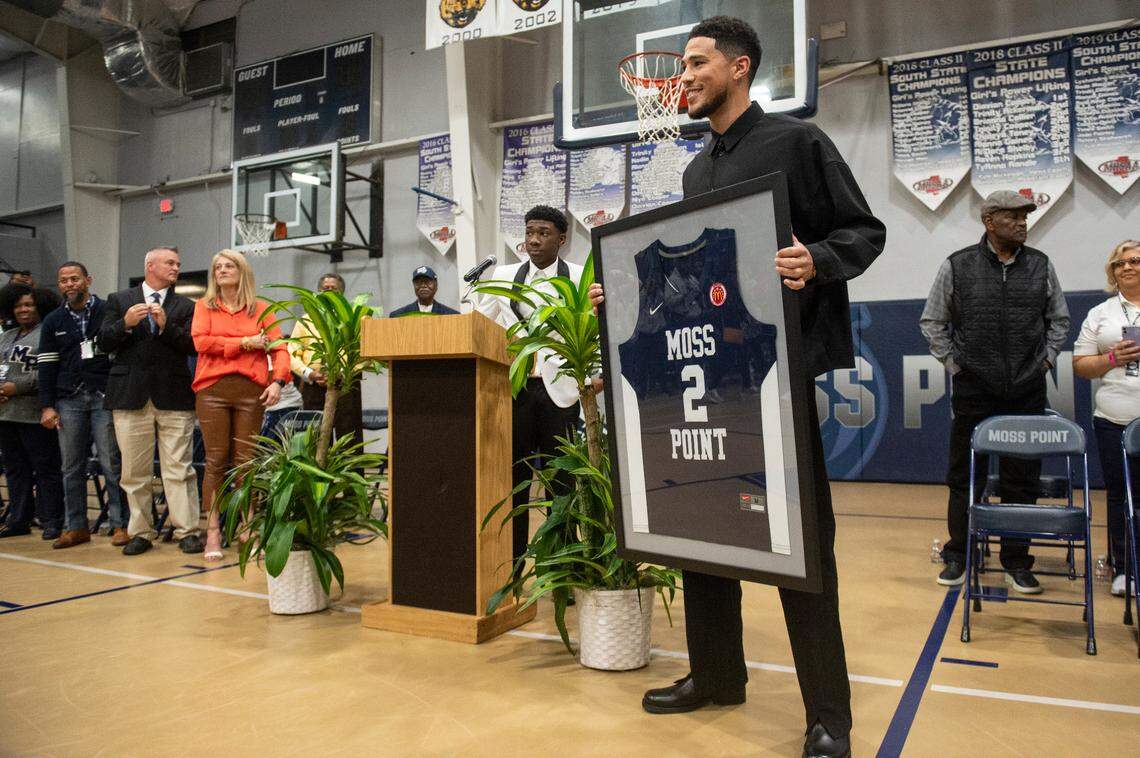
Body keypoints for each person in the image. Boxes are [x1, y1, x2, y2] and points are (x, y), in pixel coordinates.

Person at [589, 18, 884, 757]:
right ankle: (718, 675)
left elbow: (863, 232)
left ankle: (827, 715)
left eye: (696, 63)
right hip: (703, 387)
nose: (681, 76)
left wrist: (814, 259)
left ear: (739, 67)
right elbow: (689, 282)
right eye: (682, 66)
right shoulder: (695, 172)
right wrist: (624, 296)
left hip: (773, 385)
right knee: (703, 530)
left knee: (799, 547)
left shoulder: (797, 142)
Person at [921, 190, 1070, 595]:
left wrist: (1045, 361)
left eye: (1025, 217)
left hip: (1026, 389)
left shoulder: (1041, 265)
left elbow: (1059, 319)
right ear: (989, 221)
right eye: (1014, 216)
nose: (1023, 223)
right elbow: (932, 321)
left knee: (1021, 479)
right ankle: (960, 555)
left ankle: (1016, 561)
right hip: (974, 390)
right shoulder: (958, 265)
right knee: (964, 475)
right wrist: (957, 365)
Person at [478, 205, 585, 562]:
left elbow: (593, 331)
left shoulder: (580, 277)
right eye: (529, 233)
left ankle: (562, 566)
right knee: (514, 481)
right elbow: (479, 324)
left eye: (542, 233)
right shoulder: (504, 276)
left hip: (562, 393)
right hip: (516, 390)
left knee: (561, 484)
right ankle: (512, 563)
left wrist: (594, 379)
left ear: (561, 239)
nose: (533, 240)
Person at [99, 246, 202, 556]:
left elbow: (193, 346)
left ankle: (188, 530)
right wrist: (125, 324)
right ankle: (141, 531)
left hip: (173, 395)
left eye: (178, 264)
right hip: (129, 395)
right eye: (170, 263)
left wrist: (165, 326)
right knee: (134, 471)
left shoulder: (186, 305)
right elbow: (103, 341)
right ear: (150, 266)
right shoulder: (119, 301)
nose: (176, 268)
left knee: (179, 469)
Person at [192, 250, 290, 560]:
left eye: (228, 265)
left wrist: (278, 381)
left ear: (242, 271)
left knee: (246, 462)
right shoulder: (203, 307)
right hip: (212, 390)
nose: (221, 270)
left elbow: (279, 349)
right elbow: (201, 343)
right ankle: (213, 531)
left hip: (252, 391)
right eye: (217, 266)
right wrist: (247, 343)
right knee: (216, 460)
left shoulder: (261, 309)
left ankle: (248, 527)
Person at [37, 261, 128, 549]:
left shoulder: (108, 310)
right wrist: (47, 406)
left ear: (87, 280)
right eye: (63, 280)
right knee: (71, 466)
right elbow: (46, 366)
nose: (69, 284)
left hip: (104, 396)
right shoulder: (53, 321)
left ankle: (119, 525)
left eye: (74, 279)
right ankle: (76, 527)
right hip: (68, 399)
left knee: (111, 463)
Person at [1073, 240, 1140, 597]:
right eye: (1118, 263)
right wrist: (1112, 359)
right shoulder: (1101, 313)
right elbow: (1081, 365)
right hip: (1114, 418)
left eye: (1134, 260)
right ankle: (1123, 567)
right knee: (1120, 495)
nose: (1126, 267)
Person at [0, 285, 64, 539]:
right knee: (15, 468)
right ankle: (18, 519)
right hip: (5, 413)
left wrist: (20, 386)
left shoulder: (46, 333)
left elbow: (51, 370)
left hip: (35, 413)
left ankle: (52, 520)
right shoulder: (7, 335)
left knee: (45, 467)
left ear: (40, 306)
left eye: (28, 305)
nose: (23, 310)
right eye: (17, 306)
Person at [290, 273, 364, 445]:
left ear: (342, 293)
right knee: (317, 439)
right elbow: (292, 352)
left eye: (334, 289)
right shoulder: (306, 320)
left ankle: (350, 472)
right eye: (325, 289)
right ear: (318, 292)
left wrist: (346, 372)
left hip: (346, 384)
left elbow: (365, 352)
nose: (329, 292)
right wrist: (310, 373)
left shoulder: (354, 319)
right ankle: (317, 472)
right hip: (314, 386)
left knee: (350, 437)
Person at [389, 266, 459, 316]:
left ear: (436, 285)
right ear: (413, 285)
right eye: (418, 282)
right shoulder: (398, 316)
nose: (423, 286)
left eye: (427, 282)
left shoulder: (452, 315)